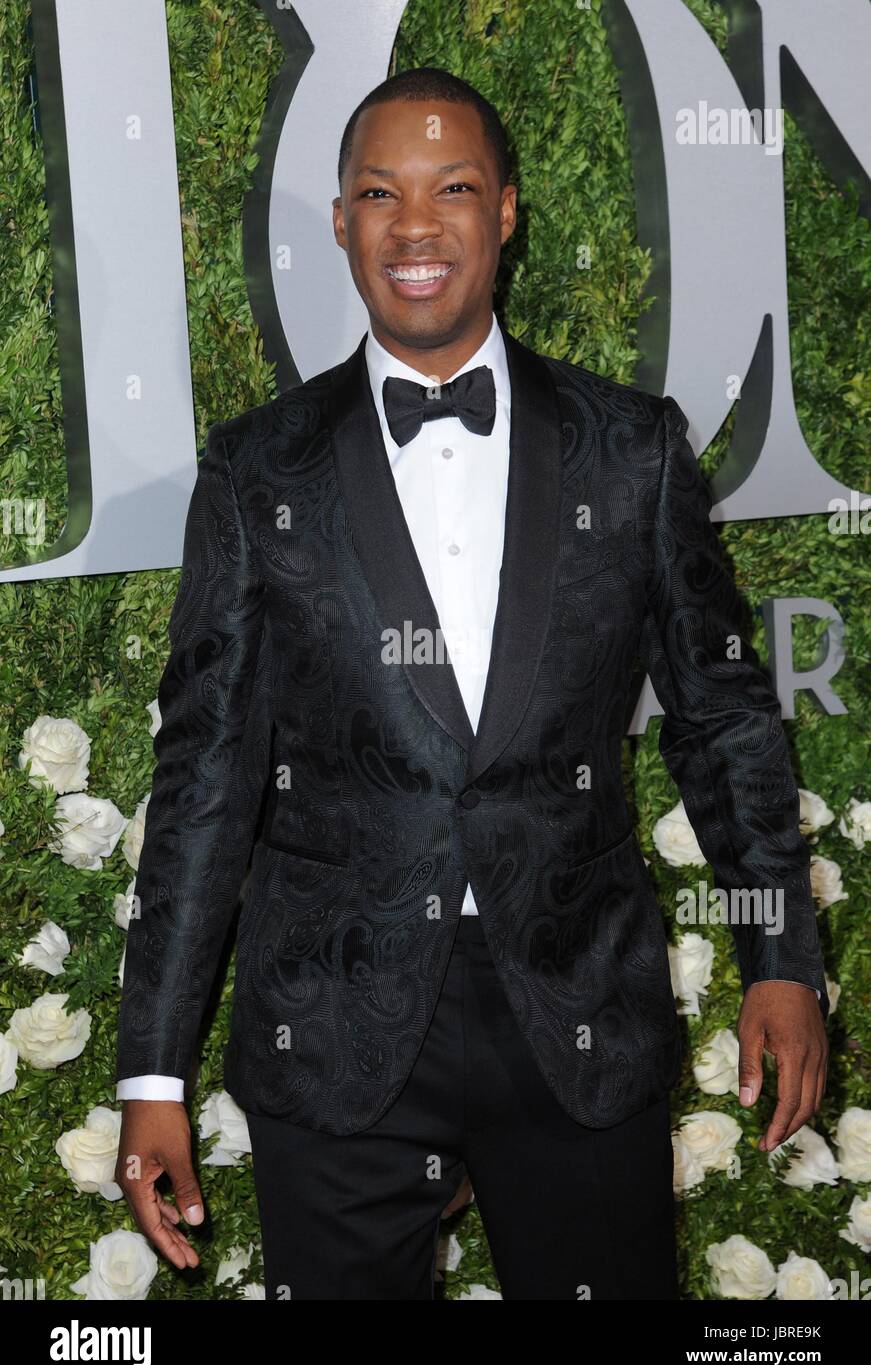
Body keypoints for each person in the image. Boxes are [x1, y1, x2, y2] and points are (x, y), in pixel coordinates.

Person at [115, 66, 829, 1300]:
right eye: (377, 192)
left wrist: (777, 953)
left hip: (574, 1015)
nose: (414, 225)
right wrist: (151, 1076)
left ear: (505, 212)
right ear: (340, 221)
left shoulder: (632, 446)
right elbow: (203, 781)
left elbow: (720, 715)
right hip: (332, 1030)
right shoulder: (256, 469)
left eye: (451, 188)